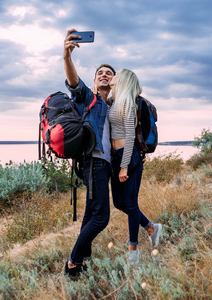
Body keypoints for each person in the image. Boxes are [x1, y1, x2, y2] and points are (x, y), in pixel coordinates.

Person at [63, 29, 116, 276]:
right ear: (94, 81)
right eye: (100, 74)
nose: (104, 76)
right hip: (93, 163)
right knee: (101, 218)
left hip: (104, 165)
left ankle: (81, 262)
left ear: (115, 81)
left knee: (90, 214)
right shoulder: (88, 98)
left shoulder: (115, 106)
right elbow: (74, 83)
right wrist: (66, 57)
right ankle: (73, 261)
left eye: (109, 73)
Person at [108, 69, 162, 264]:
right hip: (115, 156)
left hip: (128, 157)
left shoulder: (128, 103)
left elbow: (130, 136)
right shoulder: (113, 102)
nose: (112, 76)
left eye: (116, 74)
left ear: (123, 80)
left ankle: (133, 251)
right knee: (118, 203)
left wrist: (124, 166)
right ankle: (150, 228)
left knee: (130, 203)